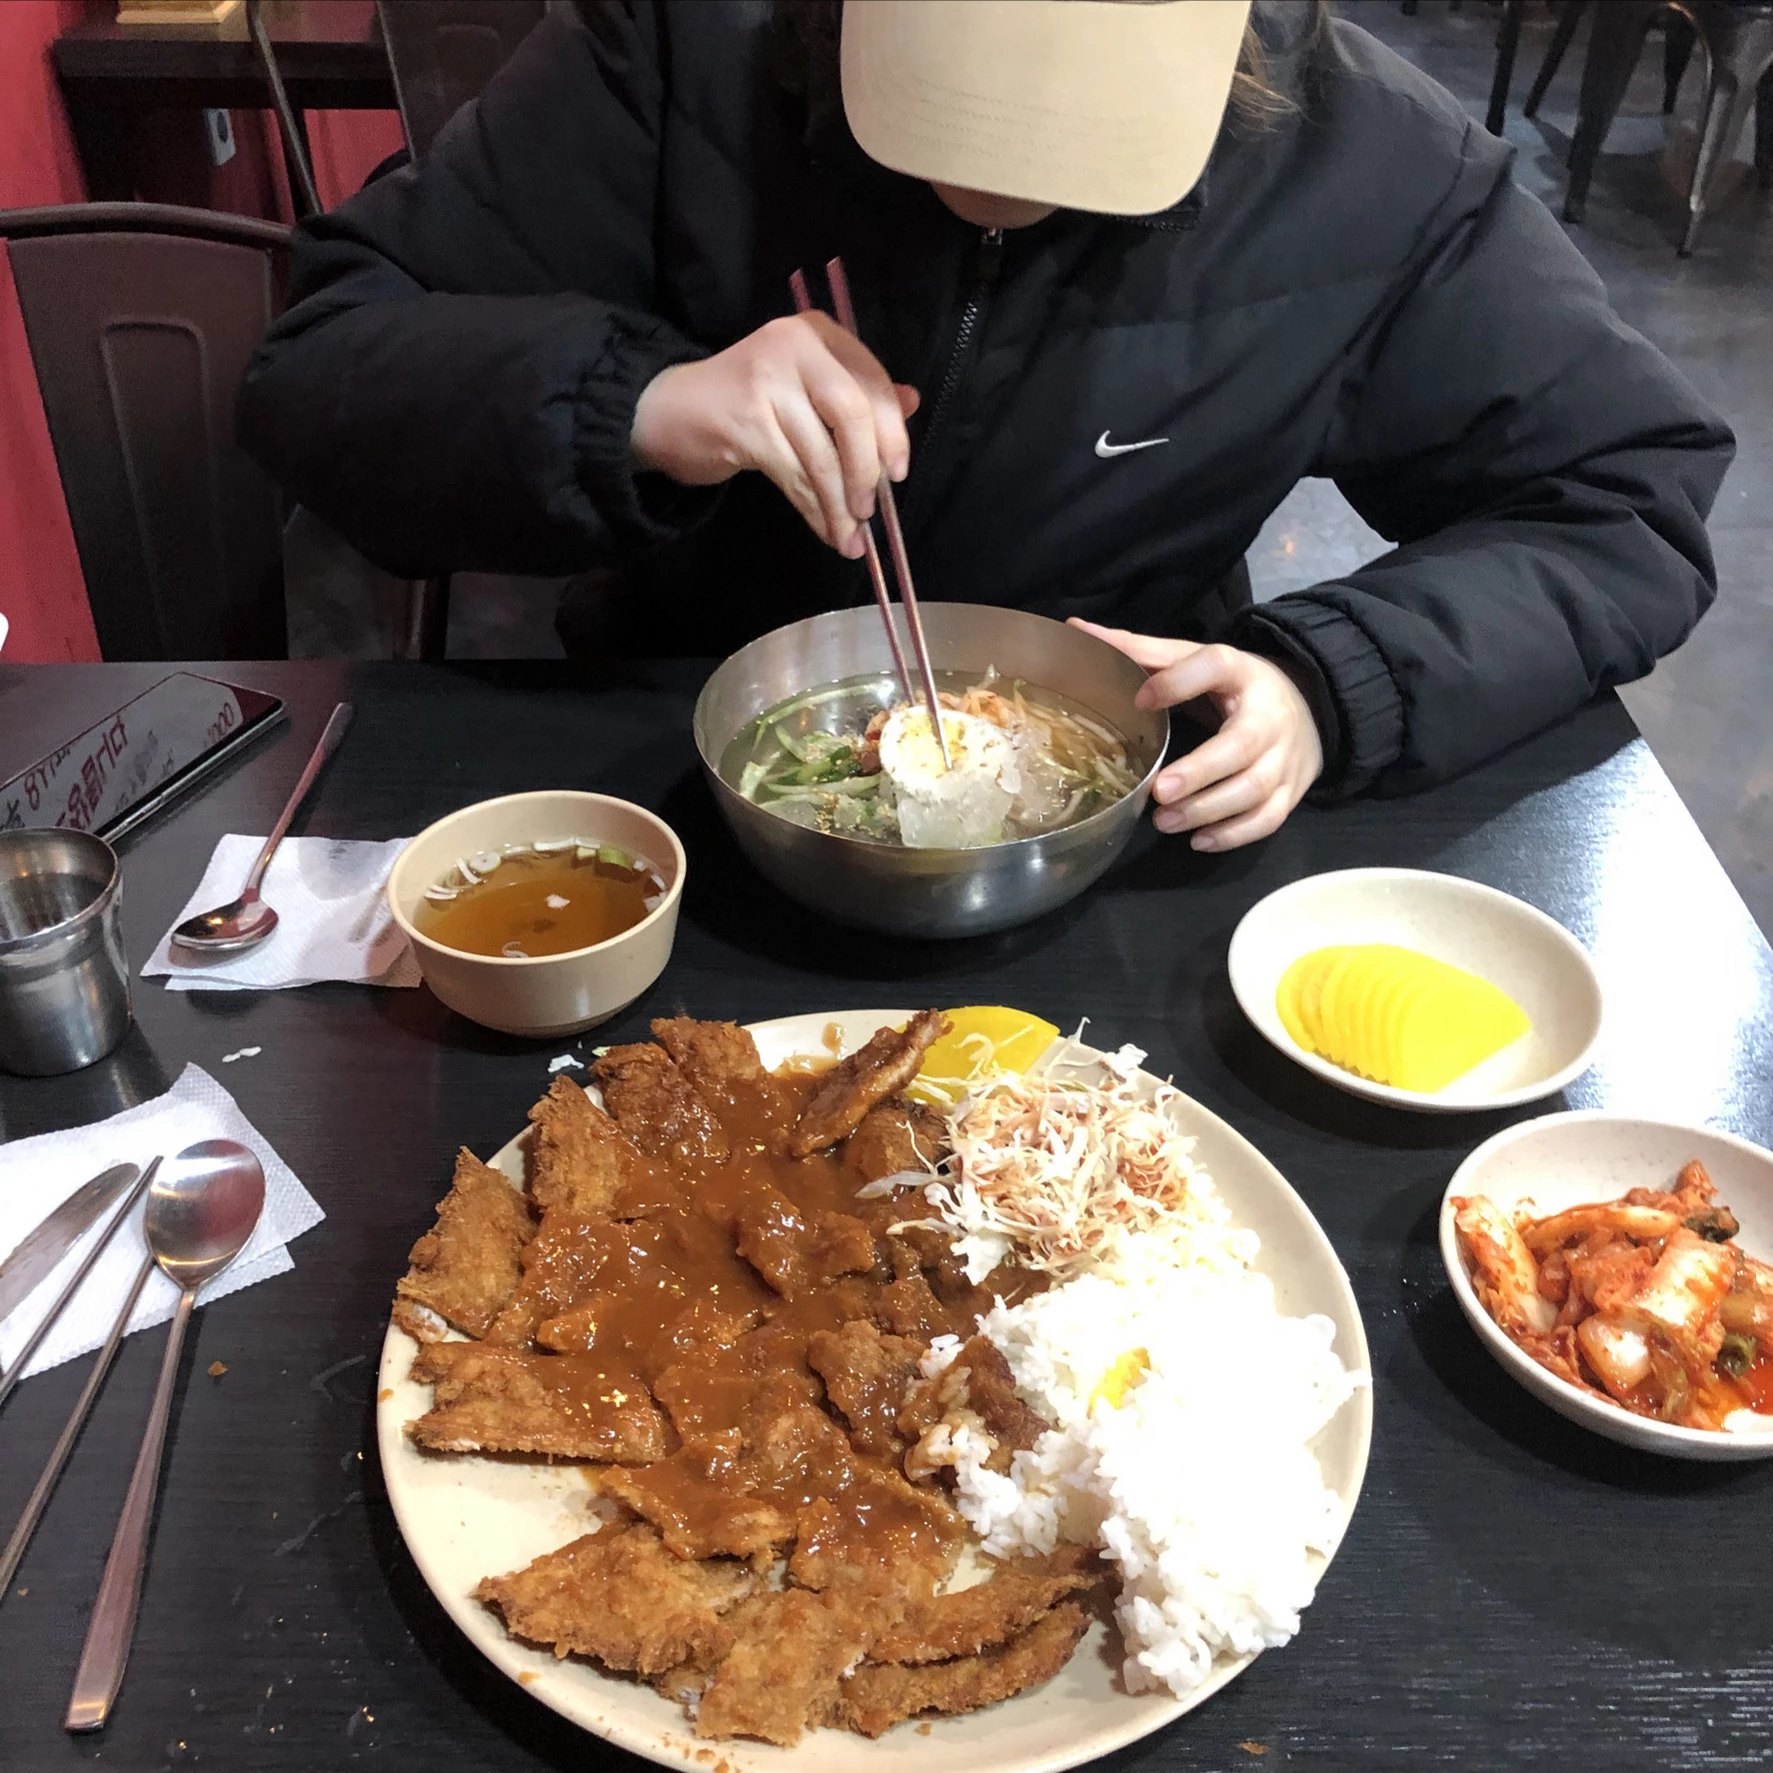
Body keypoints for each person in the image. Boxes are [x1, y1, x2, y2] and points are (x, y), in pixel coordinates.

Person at [240, 0, 1732, 853]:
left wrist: (1328, 683)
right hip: (671, 778)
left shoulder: (1367, 161)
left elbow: (1624, 496)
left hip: (1130, 820)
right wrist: (639, 403)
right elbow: (319, 367)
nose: (1001, 175)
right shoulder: (684, 49)